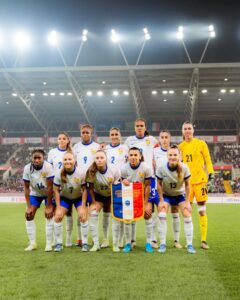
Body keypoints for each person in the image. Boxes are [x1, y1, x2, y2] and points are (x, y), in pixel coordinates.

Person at [179, 121, 214, 249]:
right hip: (187, 184)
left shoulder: (201, 144)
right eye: (185, 129)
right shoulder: (180, 147)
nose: (187, 131)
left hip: (200, 183)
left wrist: (211, 174)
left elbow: (208, 160)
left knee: (202, 211)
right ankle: (189, 241)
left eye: (189, 128)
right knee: (187, 211)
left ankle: (203, 240)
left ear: (193, 130)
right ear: (182, 131)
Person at [156, 145, 196, 254]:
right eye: (170, 155)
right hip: (167, 195)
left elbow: (188, 185)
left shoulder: (184, 167)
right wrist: (160, 200)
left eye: (175, 155)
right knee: (162, 214)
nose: (172, 157)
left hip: (180, 195)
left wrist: (187, 201)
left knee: (187, 214)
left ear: (179, 156)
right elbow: (159, 184)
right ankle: (163, 244)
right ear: (167, 156)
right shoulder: (161, 168)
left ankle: (189, 244)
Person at [125, 118, 158, 248]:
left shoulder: (152, 140)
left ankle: (153, 240)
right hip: (133, 180)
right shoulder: (129, 141)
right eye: (137, 126)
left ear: (145, 127)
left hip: (149, 178)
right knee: (131, 211)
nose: (139, 127)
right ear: (135, 128)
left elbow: (159, 153)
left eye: (142, 126)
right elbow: (125, 157)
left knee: (149, 210)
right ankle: (131, 240)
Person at [85, 150, 121, 252]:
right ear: (94, 160)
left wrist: (116, 202)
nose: (99, 160)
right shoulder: (91, 171)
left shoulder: (114, 169)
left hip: (112, 196)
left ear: (106, 159)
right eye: (97, 158)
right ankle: (96, 244)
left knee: (115, 215)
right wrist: (93, 202)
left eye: (102, 158)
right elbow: (90, 188)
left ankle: (114, 244)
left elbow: (118, 186)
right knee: (93, 212)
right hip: (99, 196)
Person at [53, 151, 89, 252]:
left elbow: (85, 190)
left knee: (83, 216)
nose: (68, 161)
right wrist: (58, 207)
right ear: (62, 161)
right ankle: (59, 243)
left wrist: (82, 206)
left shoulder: (81, 173)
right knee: (57, 217)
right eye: (65, 159)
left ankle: (85, 243)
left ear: (74, 161)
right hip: (65, 198)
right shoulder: (58, 174)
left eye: (70, 159)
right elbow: (55, 191)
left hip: (78, 198)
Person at [121, 147, 153, 253]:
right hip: (129, 197)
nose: (133, 157)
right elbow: (121, 183)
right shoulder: (124, 168)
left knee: (147, 214)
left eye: (135, 155)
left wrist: (146, 203)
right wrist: (123, 180)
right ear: (128, 157)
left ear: (140, 156)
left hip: (143, 196)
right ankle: (128, 243)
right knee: (128, 218)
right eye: (131, 155)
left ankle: (149, 242)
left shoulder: (146, 168)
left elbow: (148, 187)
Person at [153, 130, 182, 249]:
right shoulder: (155, 151)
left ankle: (176, 240)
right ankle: (155, 240)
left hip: (174, 188)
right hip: (159, 187)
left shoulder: (175, 152)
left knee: (175, 213)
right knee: (159, 212)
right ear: (159, 139)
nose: (164, 139)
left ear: (169, 139)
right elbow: (152, 166)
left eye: (166, 137)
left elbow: (180, 169)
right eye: (162, 137)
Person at [73, 124, 100, 246]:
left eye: (87, 132)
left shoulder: (97, 146)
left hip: (93, 183)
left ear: (91, 133)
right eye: (83, 132)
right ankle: (80, 238)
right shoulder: (76, 147)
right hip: (80, 184)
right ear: (80, 133)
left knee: (94, 212)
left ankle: (95, 239)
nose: (85, 134)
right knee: (81, 211)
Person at [23, 149, 54, 251]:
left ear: (43, 158)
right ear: (31, 159)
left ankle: (49, 243)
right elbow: (26, 188)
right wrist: (28, 207)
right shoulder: (27, 168)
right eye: (34, 158)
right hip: (35, 194)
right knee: (28, 215)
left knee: (49, 215)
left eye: (39, 158)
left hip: (47, 194)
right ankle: (32, 243)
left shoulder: (48, 167)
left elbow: (50, 188)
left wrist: (49, 206)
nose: (36, 160)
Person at [102, 127, 128, 248]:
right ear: (109, 136)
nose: (114, 136)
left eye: (116, 134)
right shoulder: (105, 149)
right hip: (107, 183)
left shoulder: (125, 148)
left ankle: (120, 239)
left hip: (121, 183)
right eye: (112, 134)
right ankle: (105, 239)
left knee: (120, 211)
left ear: (120, 135)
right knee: (107, 211)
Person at [48, 132, 73, 247]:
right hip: (56, 186)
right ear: (57, 140)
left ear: (68, 140)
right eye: (59, 139)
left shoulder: (72, 153)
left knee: (69, 213)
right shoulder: (52, 152)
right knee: (53, 213)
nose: (62, 140)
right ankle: (53, 239)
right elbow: (49, 170)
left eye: (64, 138)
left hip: (68, 187)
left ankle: (68, 239)